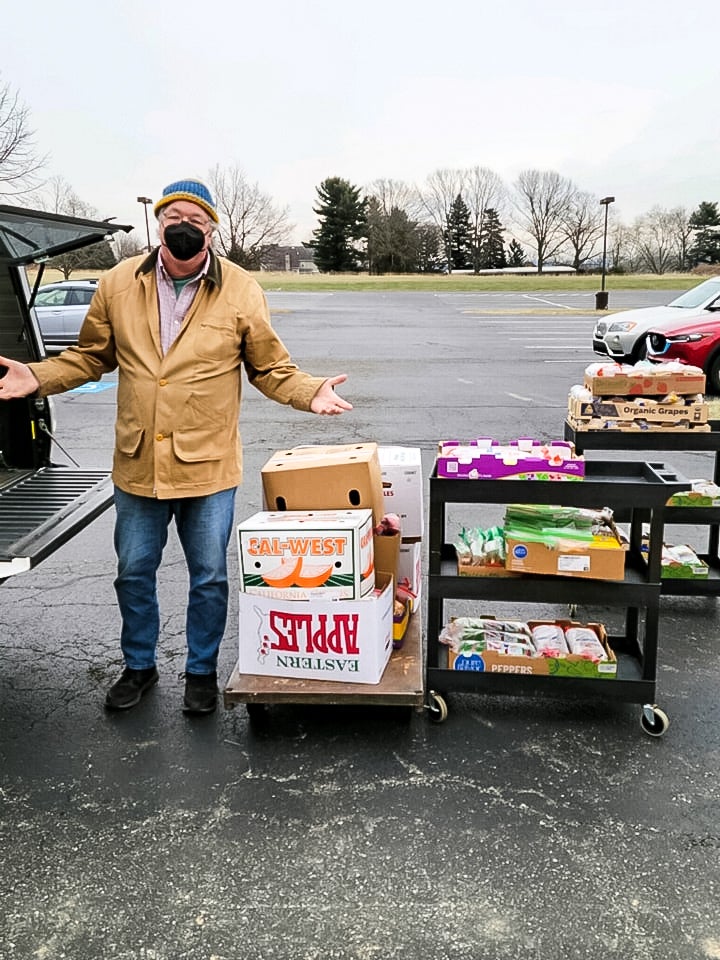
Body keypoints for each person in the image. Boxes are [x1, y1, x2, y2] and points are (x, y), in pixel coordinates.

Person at [0, 178, 352, 716]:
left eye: (197, 220)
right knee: (132, 572)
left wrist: (310, 391)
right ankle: (139, 665)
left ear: (211, 229)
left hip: (208, 465)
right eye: (174, 217)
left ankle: (201, 672)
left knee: (208, 576)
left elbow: (269, 367)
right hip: (138, 463)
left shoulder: (240, 290)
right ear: (158, 222)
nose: (184, 226)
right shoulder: (118, 283)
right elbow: (91, 357)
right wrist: (37, 376)